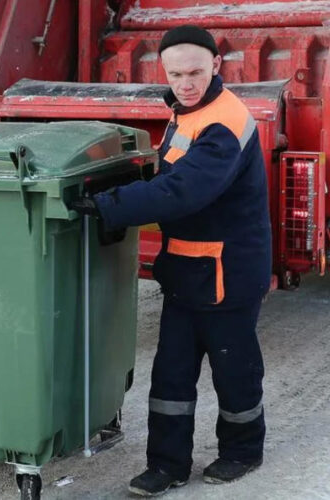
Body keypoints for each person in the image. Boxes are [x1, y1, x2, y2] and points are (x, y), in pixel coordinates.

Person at [69, 25, 272, 496]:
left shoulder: (225, 121)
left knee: (234, 369)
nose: (185, 82)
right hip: (186, 270)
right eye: (176, 73)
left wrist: (110, 206)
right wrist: (112, 187)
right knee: (172, 374)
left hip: (228, 273)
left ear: (217, 66)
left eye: (196, 72)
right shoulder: (186, 112)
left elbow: (185, 190)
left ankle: (242, 451)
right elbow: (168, 171)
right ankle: (167, 465)